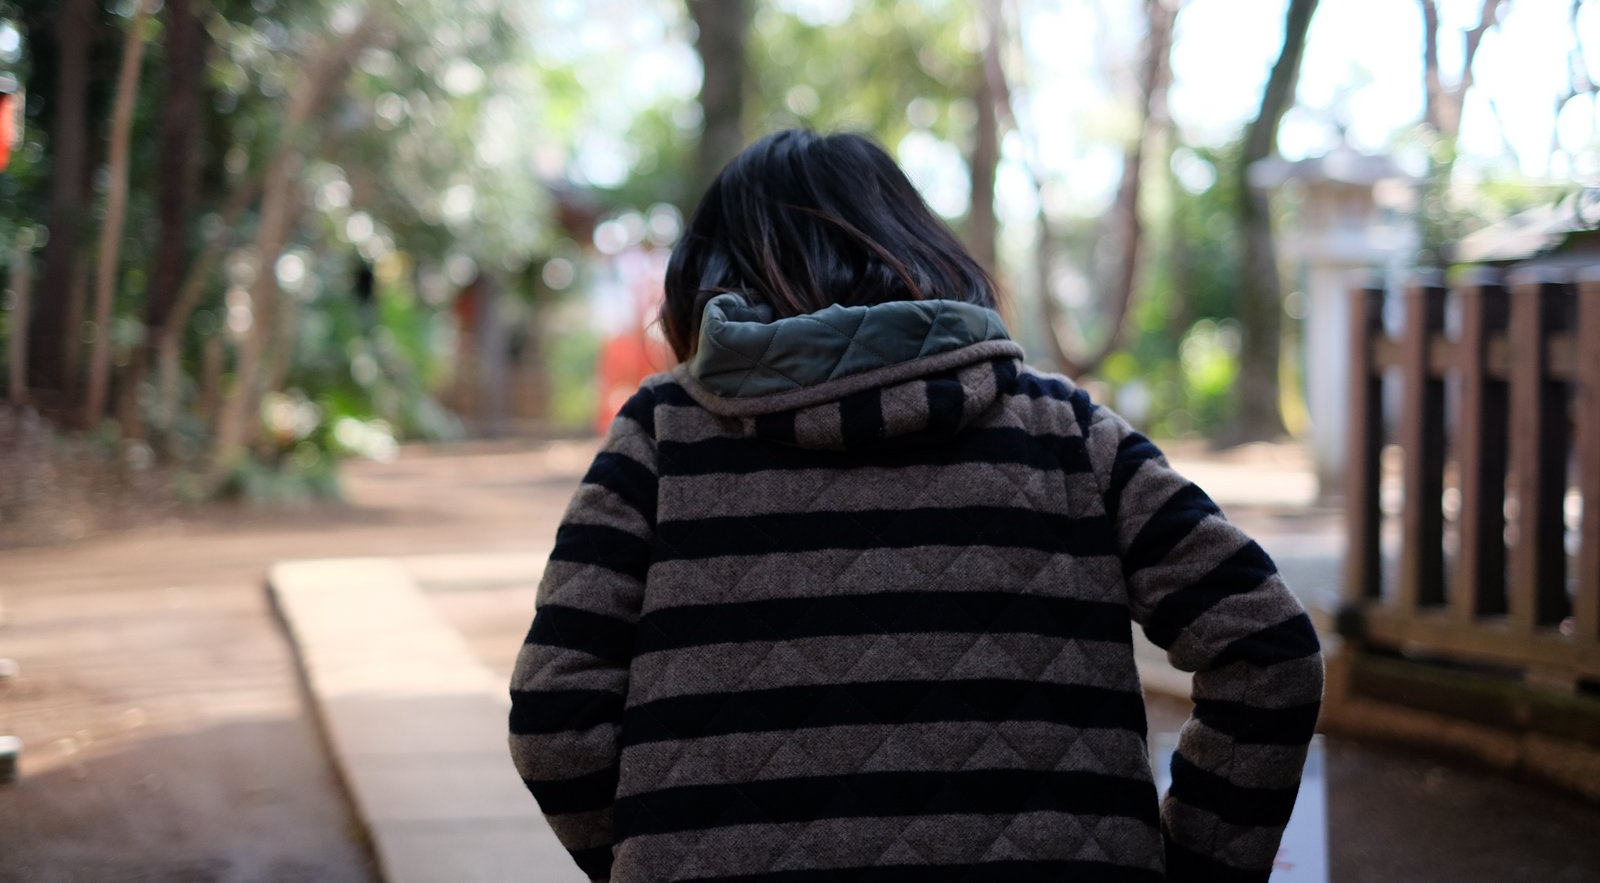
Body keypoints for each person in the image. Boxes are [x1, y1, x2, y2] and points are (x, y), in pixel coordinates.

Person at [508, 128, 1323, 882]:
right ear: (924, 249)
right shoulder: (1065, 430)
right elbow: (1268, 648)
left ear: (705, 283)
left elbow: (555, 713)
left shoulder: (661, 440)